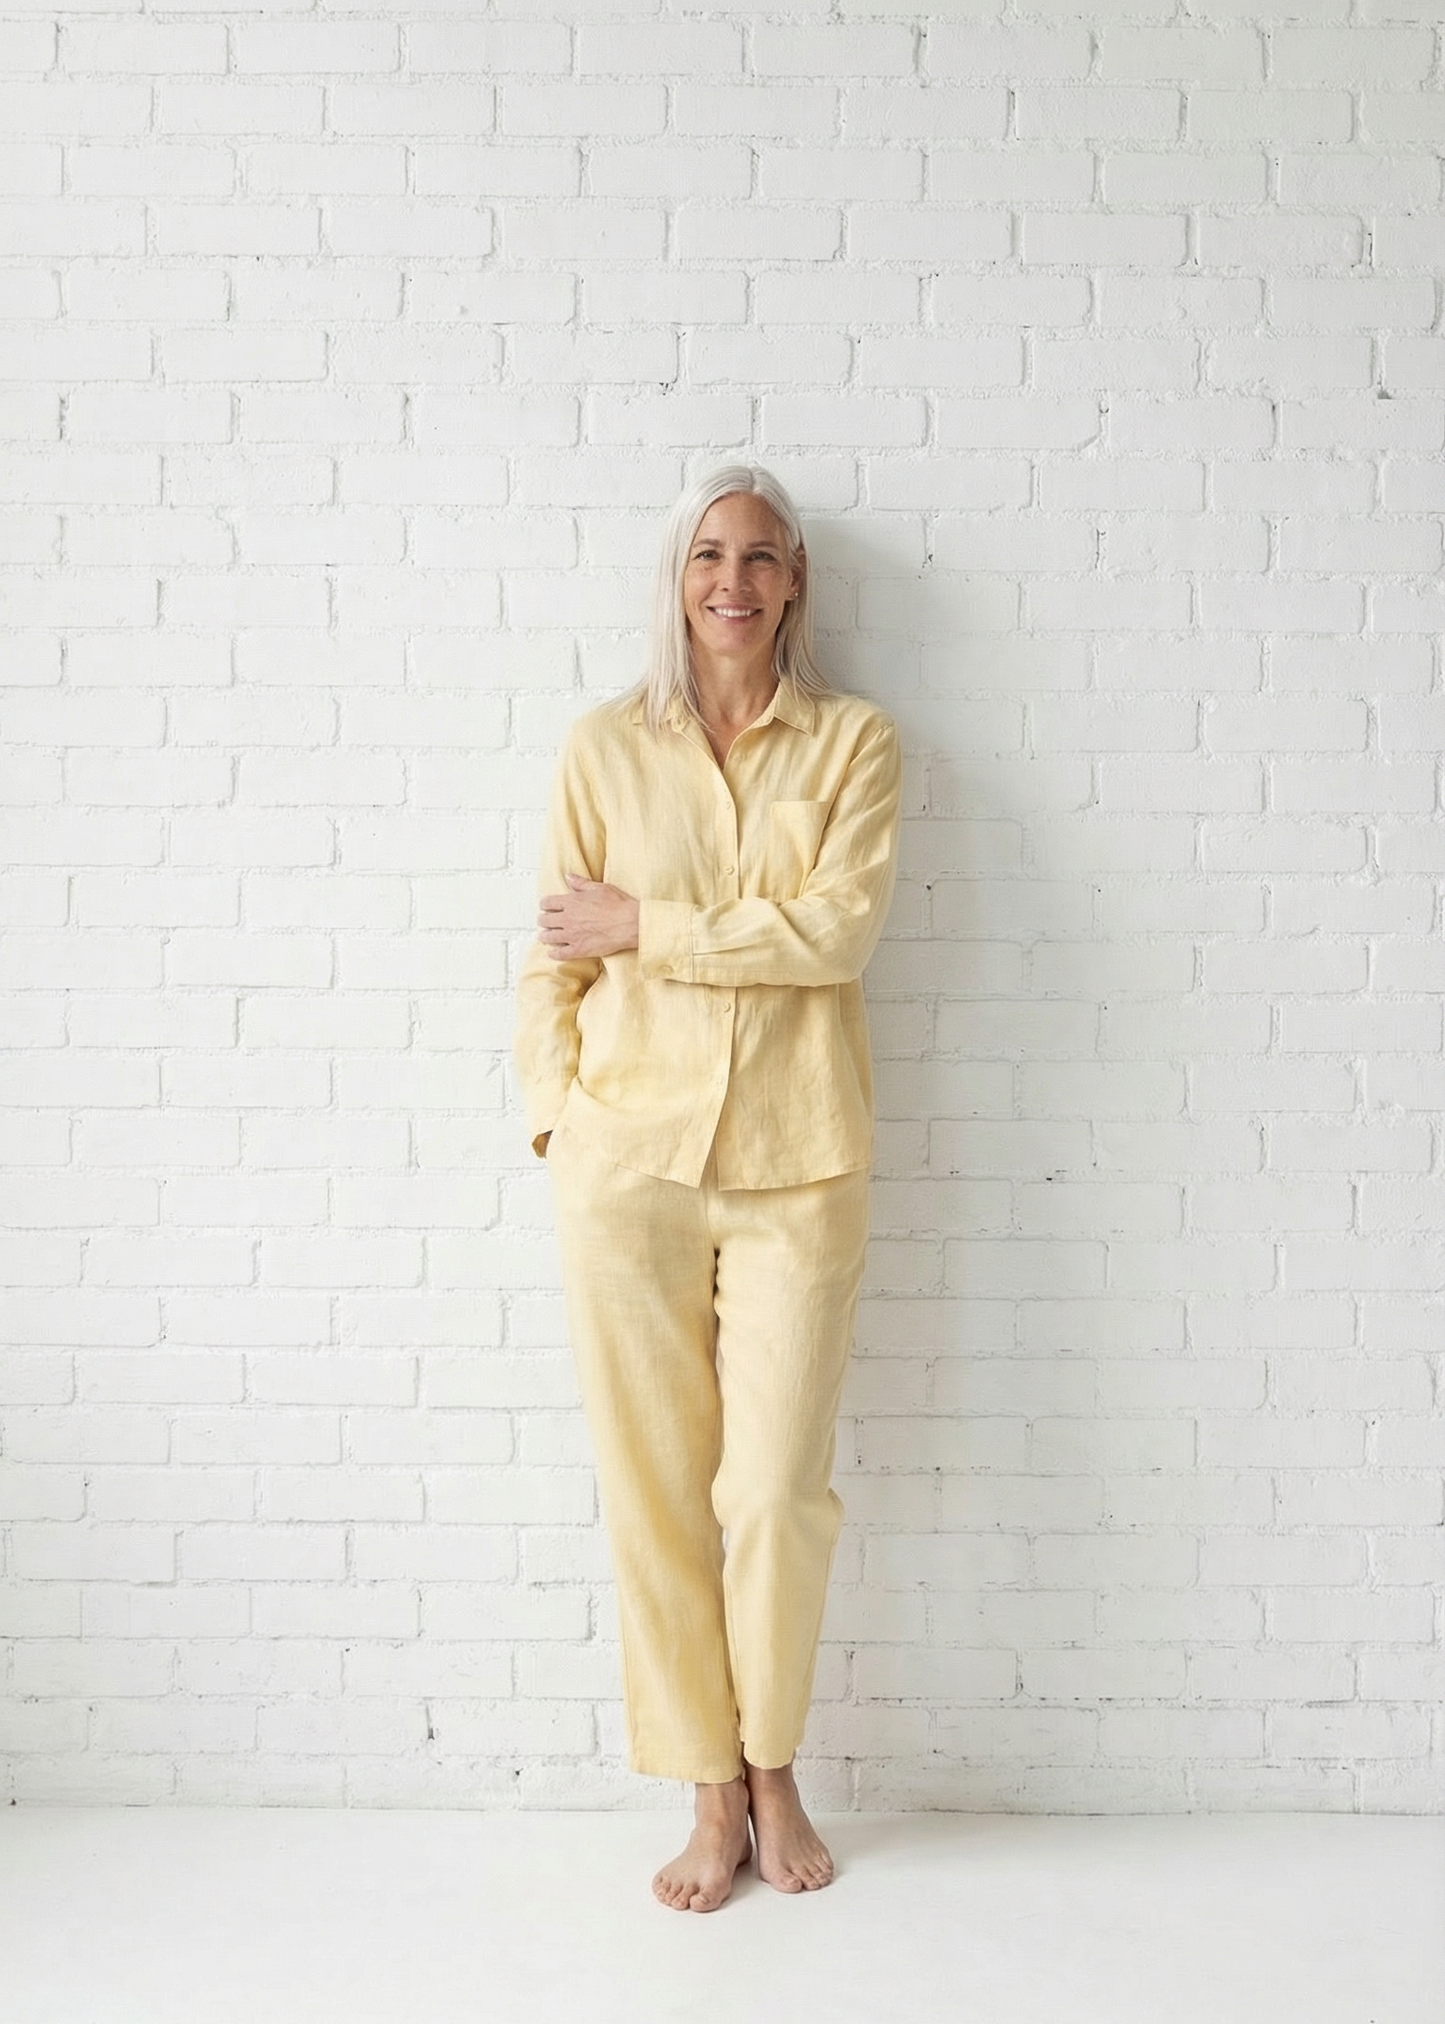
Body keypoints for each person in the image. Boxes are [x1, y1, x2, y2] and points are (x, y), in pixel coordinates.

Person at [513, 464, 901, 1913]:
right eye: (705, 556)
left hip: (800, 1160)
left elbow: (835, 935)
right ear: (678, 579)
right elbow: (556, 950)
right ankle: (708, 1786)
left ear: (795, 579)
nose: (730, 580)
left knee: (777, 1490)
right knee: (655, 1493)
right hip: (629, 1165)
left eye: (758, 556)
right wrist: (562, 1121)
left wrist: (652, 925)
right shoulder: (602, 748)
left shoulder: (857, 746)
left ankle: (776, 1759)